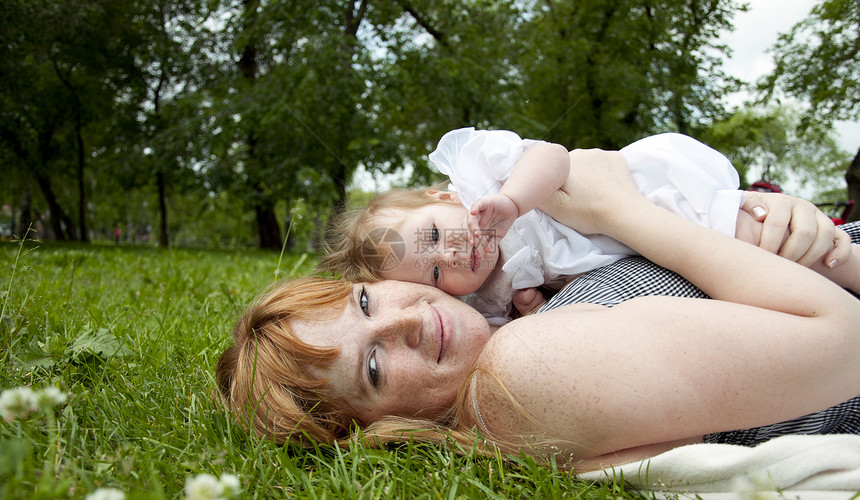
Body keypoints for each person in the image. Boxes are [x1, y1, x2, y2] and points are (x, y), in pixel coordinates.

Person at [215, 151, 860, 472]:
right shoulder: (520, 376)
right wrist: (620, 210)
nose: (403, 320)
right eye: (374, 367)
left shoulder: (509, 320)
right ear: (376, 428)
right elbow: (844, 341)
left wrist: (769, 219)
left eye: (363, 302)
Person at [319, 128, 859, 323]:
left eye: (436, 234)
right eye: (435, 274)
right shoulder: (488, 298)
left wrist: (511, 199)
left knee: (764, 242)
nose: (454, 255)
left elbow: (554, 156)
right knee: (752, 286)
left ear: (443, 196)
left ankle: (845, 271)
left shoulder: (487, 179)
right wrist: (529, 310)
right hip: (638, 259)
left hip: (659, 207)